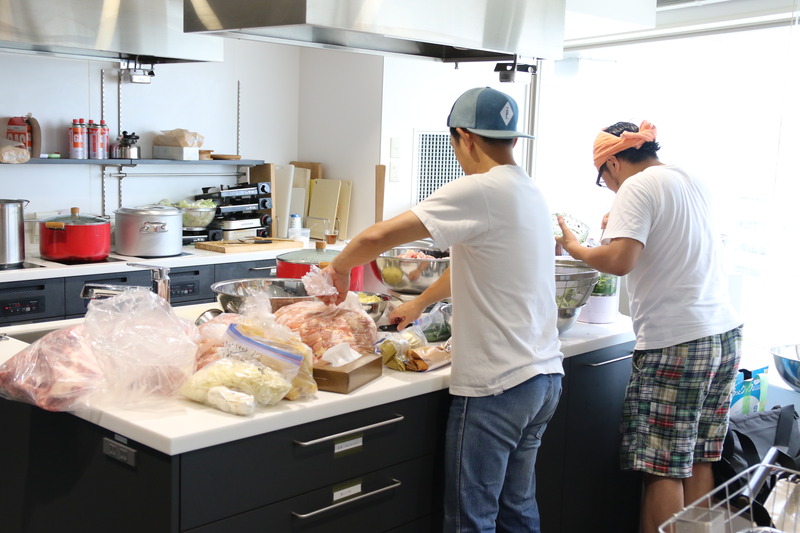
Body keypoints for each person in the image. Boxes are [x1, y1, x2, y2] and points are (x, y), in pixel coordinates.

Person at [322, 87, 563, 532]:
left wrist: (336, 269)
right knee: (517, 510)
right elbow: (479, 260)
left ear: (464, 137)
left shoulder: (480, 188)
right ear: (512, 139)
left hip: (497, 385)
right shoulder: (528, 190)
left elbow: (376, 237)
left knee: (473, 521)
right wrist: (419, 301)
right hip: (543, 378)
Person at [554, 120, 742, 533]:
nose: (609, 187)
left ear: (613, 163)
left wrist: (575, 248)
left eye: (603, 178)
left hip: (677, 342)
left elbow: (620, 262)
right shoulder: (688, 178)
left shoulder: (636, 186)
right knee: (698, 457)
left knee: (662, 466)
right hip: (723, 334)